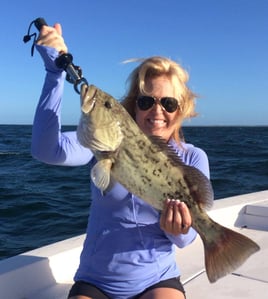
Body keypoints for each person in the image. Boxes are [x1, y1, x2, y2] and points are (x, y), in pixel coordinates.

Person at [32, 23, 210, 299]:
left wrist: (177, 229)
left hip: (158, 279)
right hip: (95, 280)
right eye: (146, 101)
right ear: (133, 104)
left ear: (181, 108)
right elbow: (46, 150)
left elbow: (186, 239)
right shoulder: (101, 144)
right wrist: (54, 74)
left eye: (169, 104)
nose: (157, 111)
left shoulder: (192, 157)